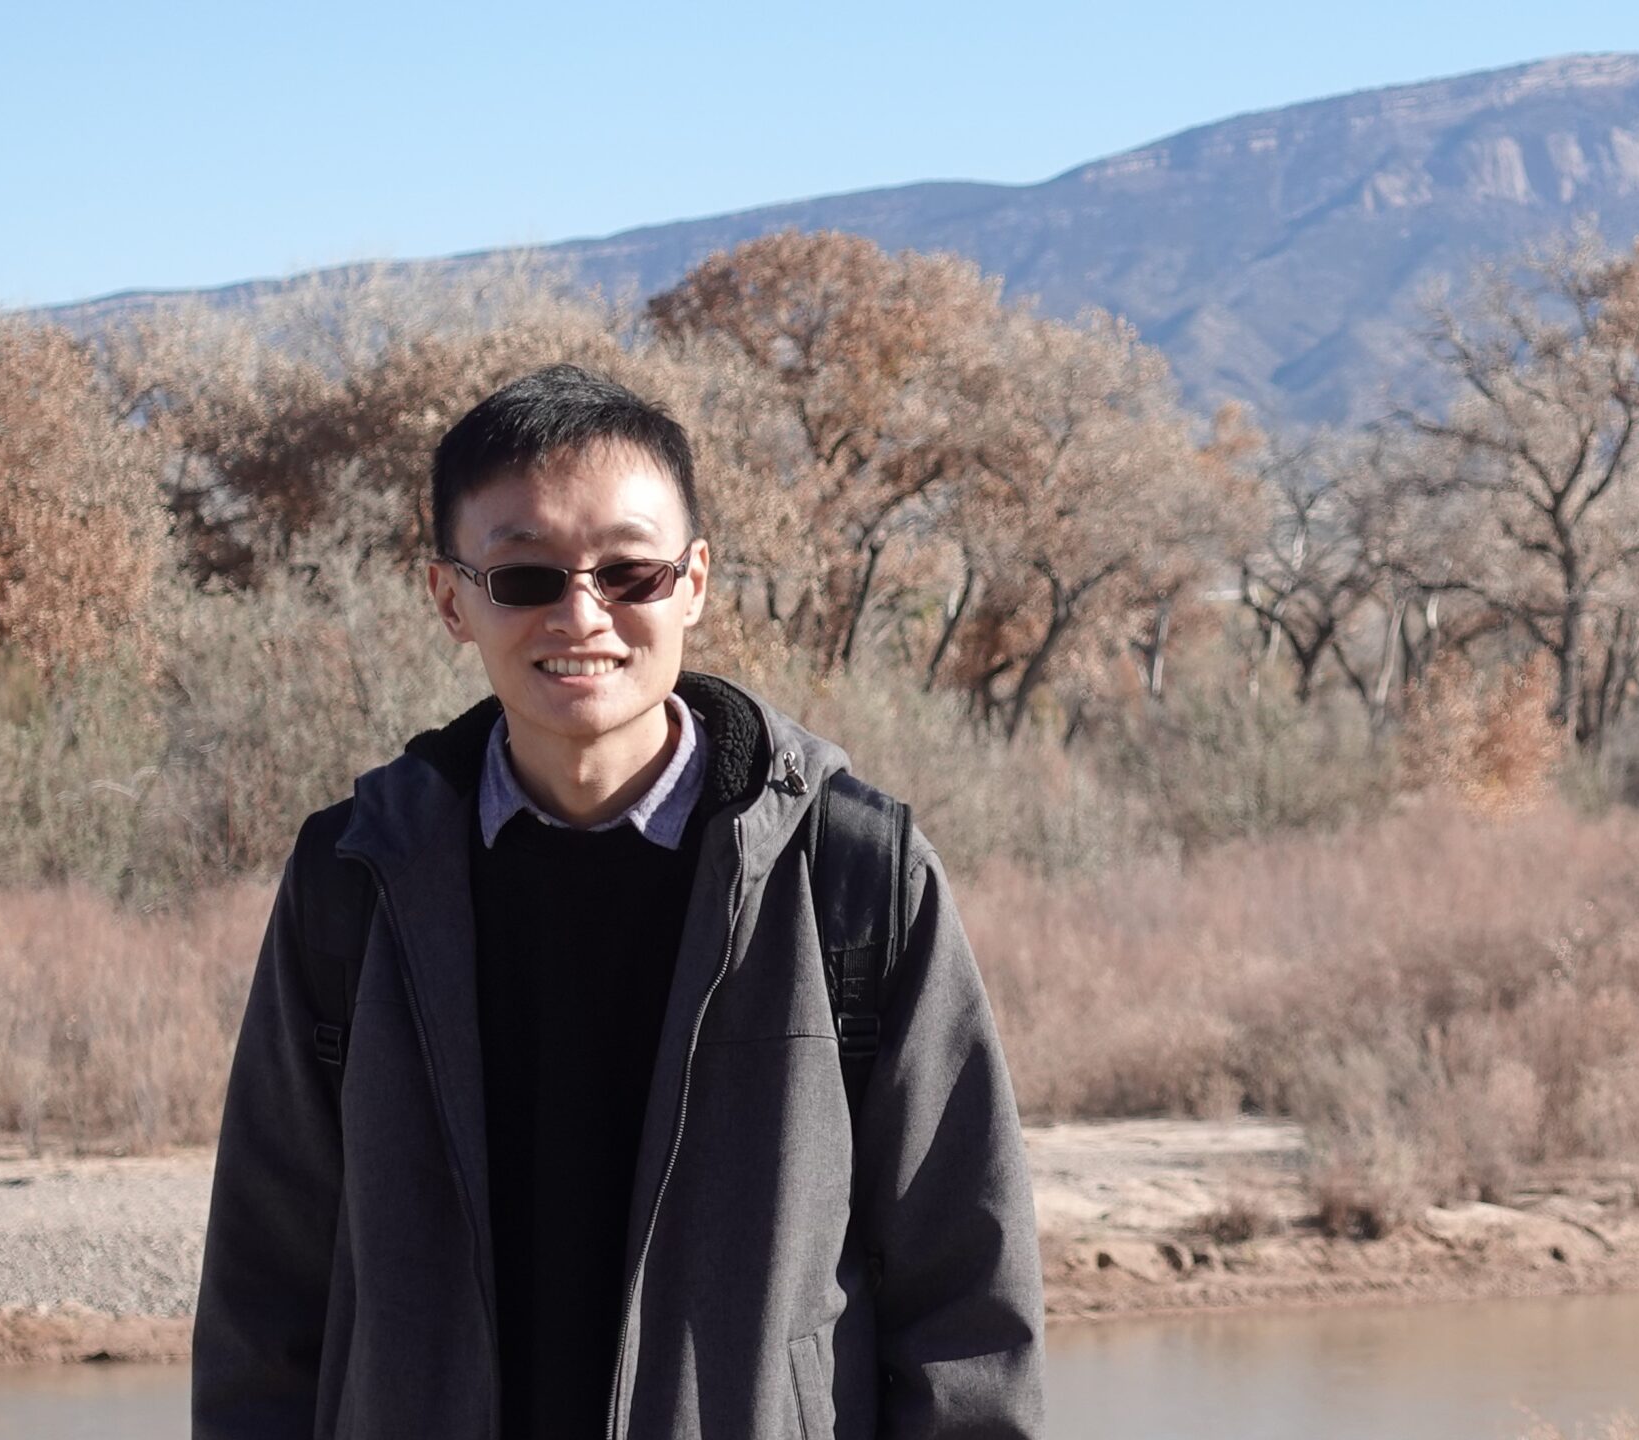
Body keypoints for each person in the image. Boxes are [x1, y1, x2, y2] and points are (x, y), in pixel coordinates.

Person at [191, 363, 1044, 1439]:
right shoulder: (355, 878)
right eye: (526, 578)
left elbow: (966, 1297)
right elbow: (263, 1300)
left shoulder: (851, 872)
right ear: (450, 596)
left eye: (629, 573)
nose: (581, 615)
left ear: (692, 583)